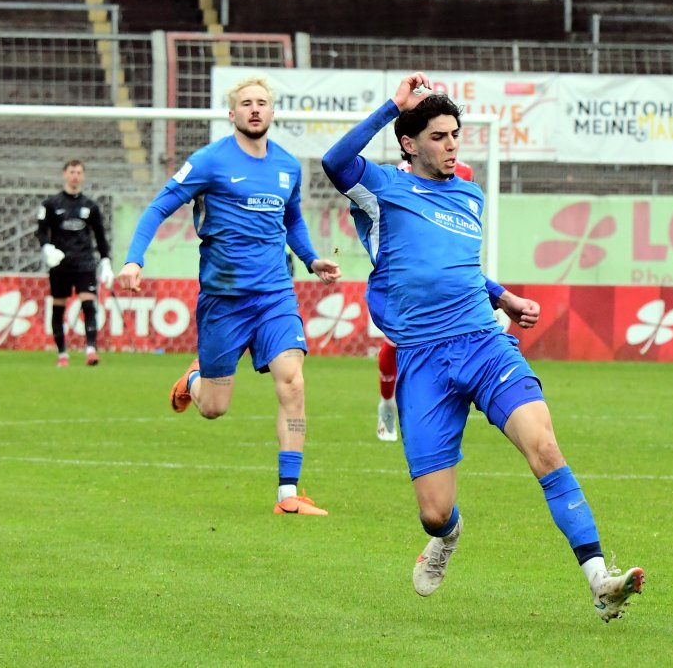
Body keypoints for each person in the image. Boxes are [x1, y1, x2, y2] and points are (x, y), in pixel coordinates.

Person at [321, 72, 645, 622]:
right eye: (439, 136)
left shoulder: (469, 195)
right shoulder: (380, 189)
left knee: (545, 447)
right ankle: (447, 536)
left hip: (483, 344)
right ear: (409, 144)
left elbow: (458, 267)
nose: (452, 145)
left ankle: (599, 580)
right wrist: (391, 106)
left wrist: (504, 297)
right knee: (433, 512)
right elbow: (334, 162)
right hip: (423, 359)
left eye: (455, 135)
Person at [116, 76, 342, 516]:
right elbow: (158, 207)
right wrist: (133, 260)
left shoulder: (288, 166)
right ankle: (193, 381)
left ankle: (288, 493)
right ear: (231, 113)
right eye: (246, 103)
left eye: (262, 103)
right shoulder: (209, 161)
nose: (255, 109)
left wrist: (311, 259)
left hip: (275, 295)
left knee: (293, 380)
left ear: (272, 112)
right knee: (214, 408)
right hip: (224, 300)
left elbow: (292, 220)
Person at [373, 157, 476, 443]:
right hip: (405, 274)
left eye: (452, 136)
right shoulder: (397, 172)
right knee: (395, 343)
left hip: (446, 272)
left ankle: (438, 409)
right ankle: (387, 404)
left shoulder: (464, 172)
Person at [36, 159, 114, 367]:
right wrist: (46, 248)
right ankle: (62, 353)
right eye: (72, 172)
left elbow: (100, 236)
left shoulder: (90, 206)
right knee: (58, 307)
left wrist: (106, 260)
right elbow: (42, 231)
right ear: (65, 174)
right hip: (60, 263)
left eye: (79, 172)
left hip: (84, 263)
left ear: (83, 176)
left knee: (88, 303)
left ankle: (91, 350)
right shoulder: (51, 204)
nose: (75, 176)